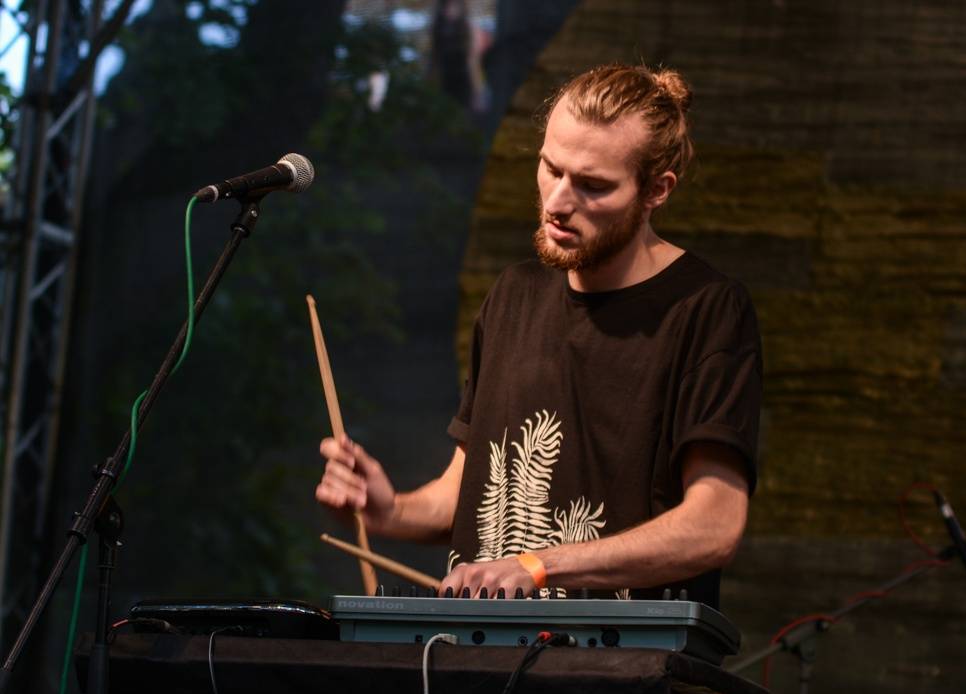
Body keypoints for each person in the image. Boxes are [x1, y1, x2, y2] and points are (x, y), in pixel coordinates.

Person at [316, 64, 762, 610]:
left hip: (612, 676)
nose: (557, 201)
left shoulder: (705, 309)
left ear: (656, 191)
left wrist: (541, 564)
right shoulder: (513, 296)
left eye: (593, 185)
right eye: (550, 168)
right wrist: (390, 511)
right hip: (470, 667)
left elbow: (714, 524)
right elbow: (470, 494)